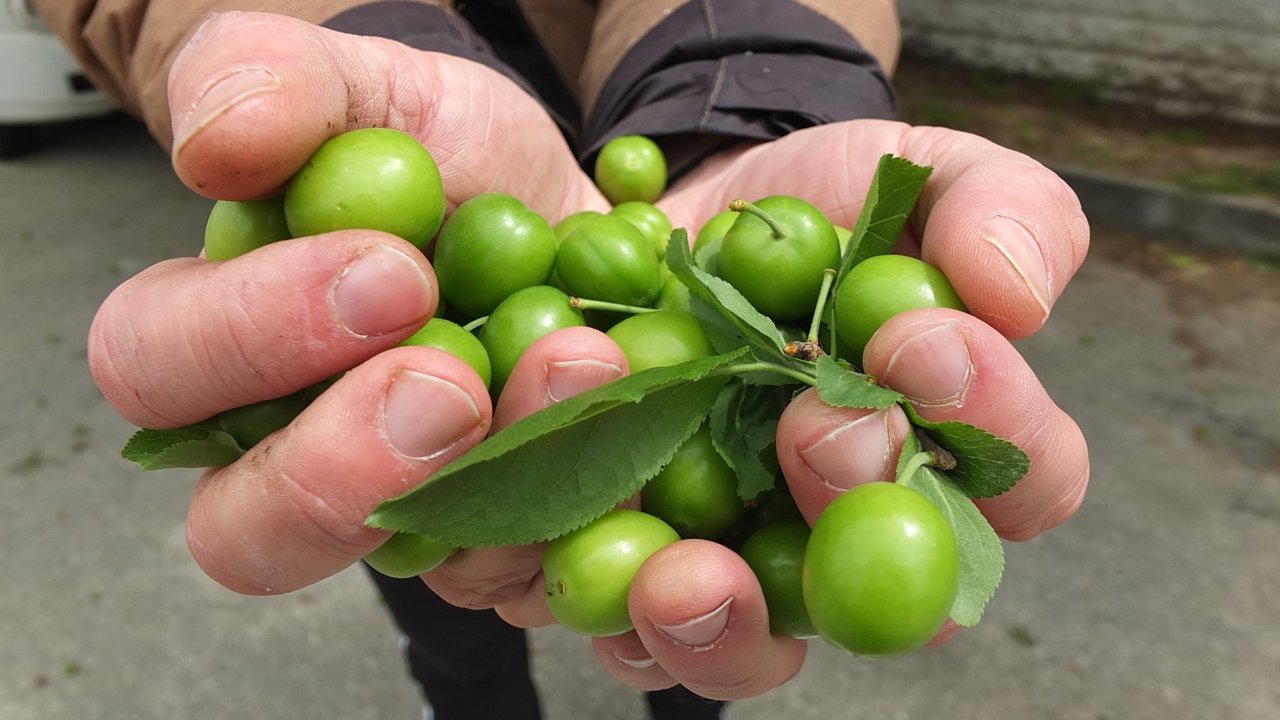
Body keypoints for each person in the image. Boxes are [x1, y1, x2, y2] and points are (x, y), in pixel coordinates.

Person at [42, 1, 1092, 718]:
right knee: (426, 518)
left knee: (689, 598)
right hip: (453, 394)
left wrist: (754, 85)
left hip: (670, 124)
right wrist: (343, 45)